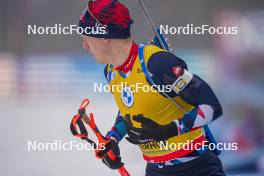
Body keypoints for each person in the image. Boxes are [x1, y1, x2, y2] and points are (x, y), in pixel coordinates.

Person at [79, 0, 225, 175]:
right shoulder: (111, 72)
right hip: (155, 170)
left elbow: (212, 107)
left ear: (104, 36)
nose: (85, 46)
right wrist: (113, 139)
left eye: (87, 38)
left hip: (196, 168)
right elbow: (130, 111)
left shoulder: (156, 63)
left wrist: (170, 129)